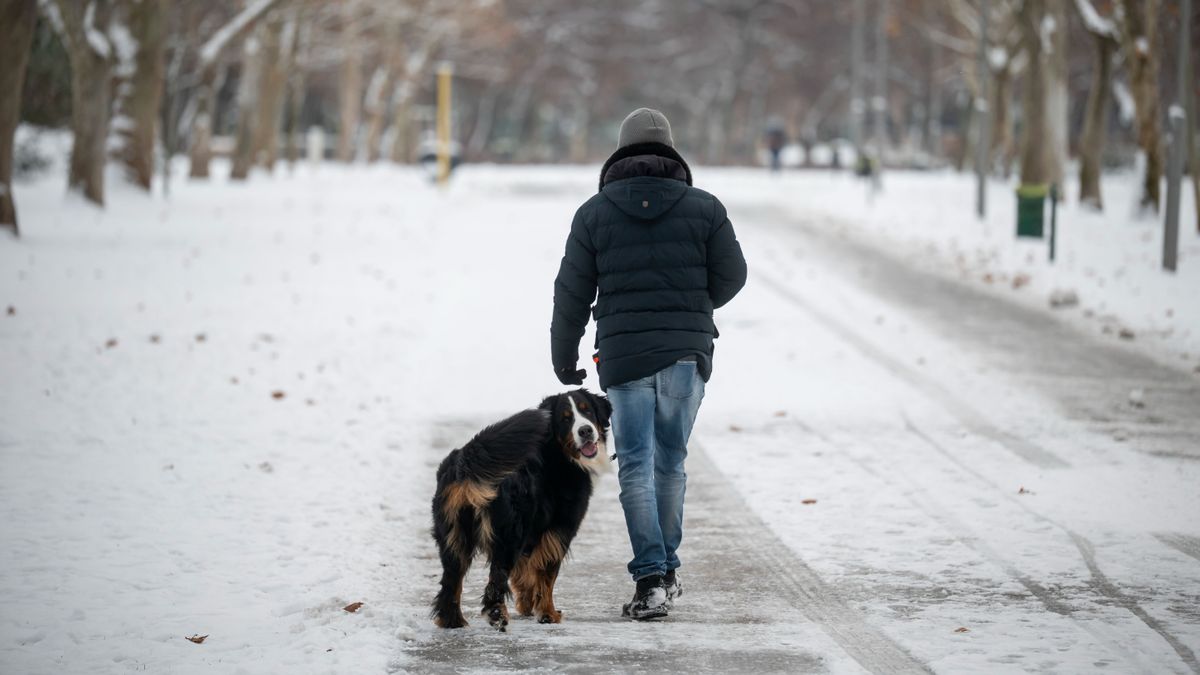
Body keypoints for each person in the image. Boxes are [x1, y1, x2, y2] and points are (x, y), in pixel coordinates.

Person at [550, 107, 748, 620]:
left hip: (625, 356)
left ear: (620, 152)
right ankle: (668, 570)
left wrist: (564, 355)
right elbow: (734, 275)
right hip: (686, 356)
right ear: (671, 152)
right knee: (670, 462)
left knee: (634, 465)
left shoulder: (594, 213)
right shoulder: (705, 208)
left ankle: (651, 579)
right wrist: (694, 307)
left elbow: (571, 293)